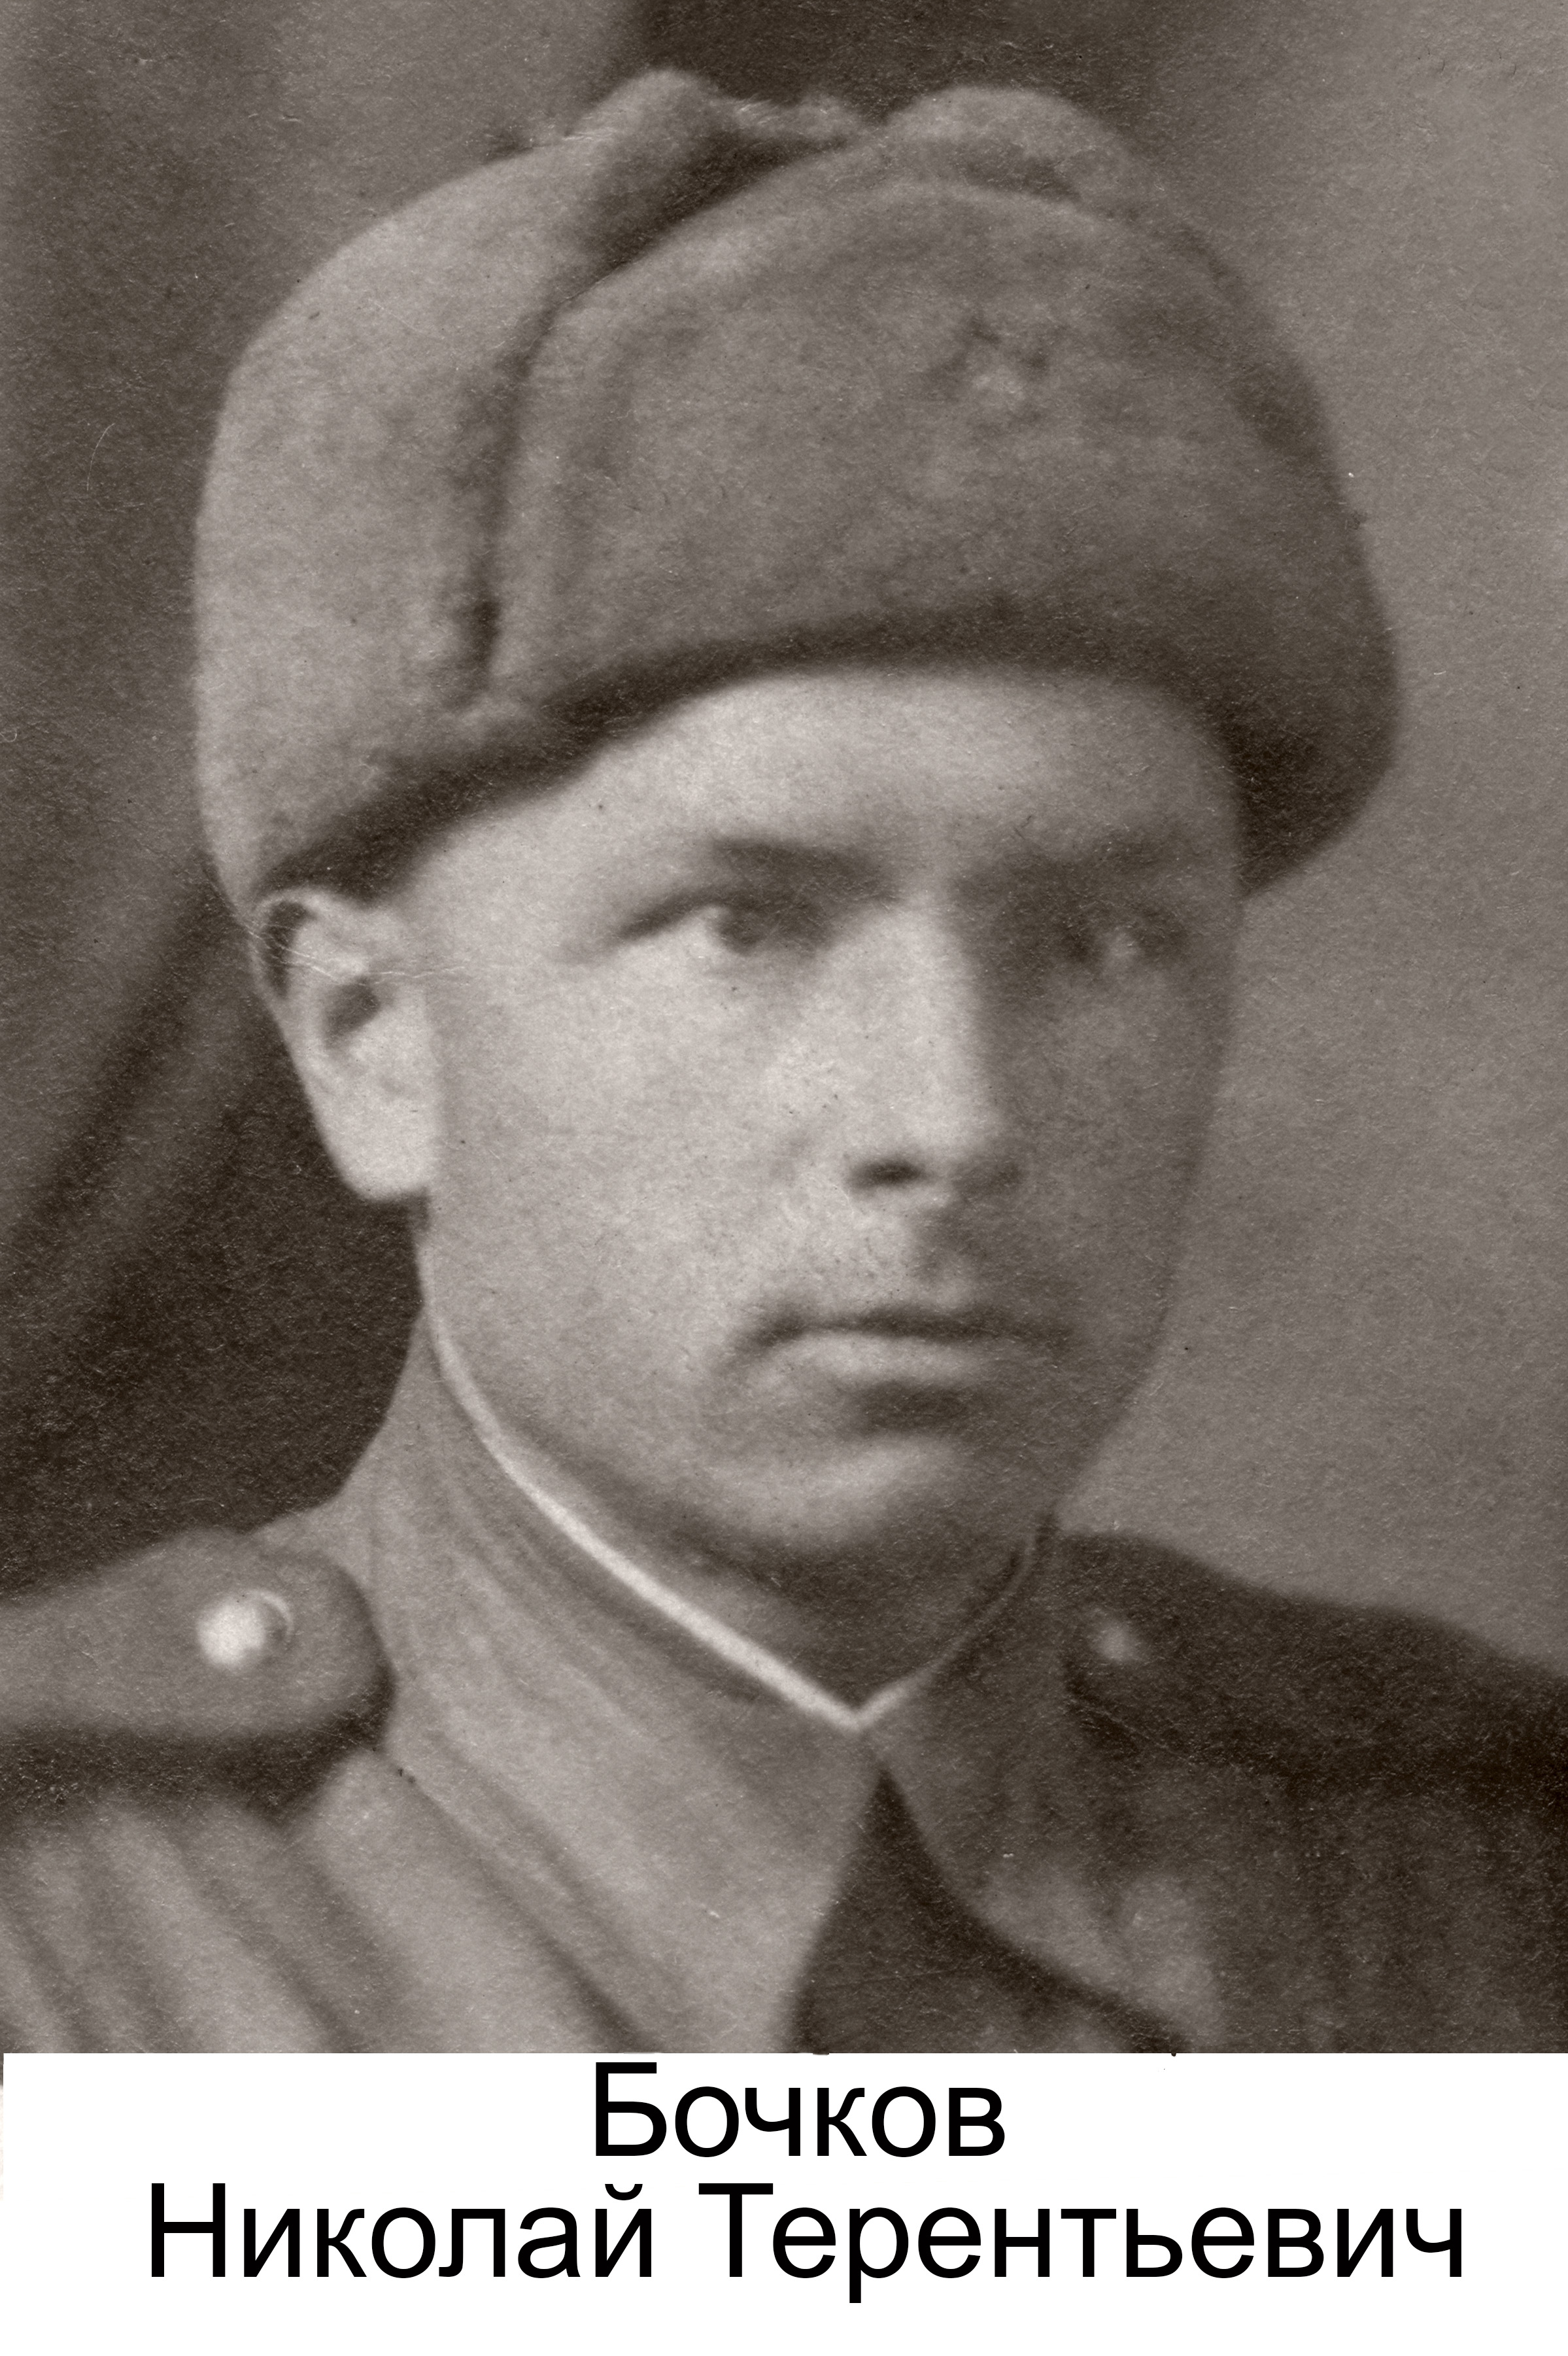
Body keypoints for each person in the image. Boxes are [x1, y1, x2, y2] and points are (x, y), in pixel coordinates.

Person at [1, 69, 1562, 2052]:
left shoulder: (1481, 1904)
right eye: (748, 925)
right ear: (371, 1037)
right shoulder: (53, 1928)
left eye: (1104, 941)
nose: (952, 1118)